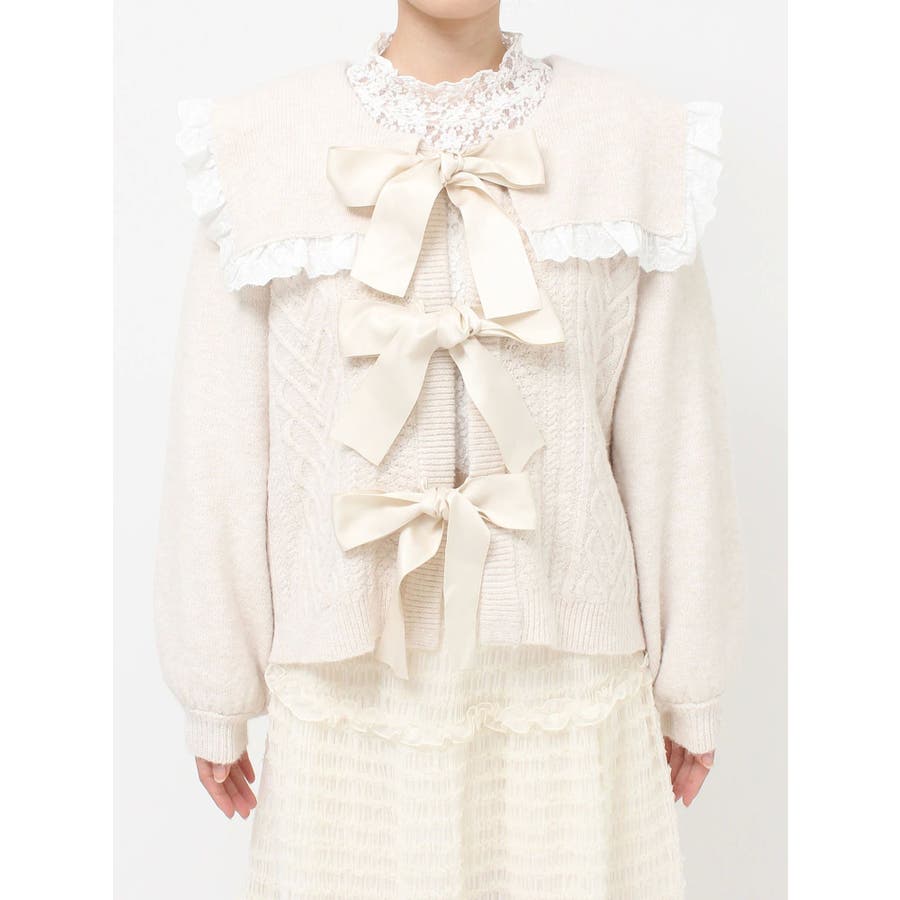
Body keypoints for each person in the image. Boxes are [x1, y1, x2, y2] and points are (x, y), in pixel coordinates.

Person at [154, 1, 745, 896]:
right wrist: (216, 684)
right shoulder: (262, 145)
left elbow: (678, 434)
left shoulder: (630, 141)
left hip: (570, 699)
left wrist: (691, 675)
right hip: (349, 702)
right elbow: (220, 442)